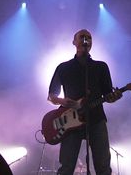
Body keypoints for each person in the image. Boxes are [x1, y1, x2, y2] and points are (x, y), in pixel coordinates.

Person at [47, 29, 122, 175]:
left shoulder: (101, 67)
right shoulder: (64, 67)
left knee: (103, 167)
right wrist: (64, 101)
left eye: (89, 37)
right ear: (74, 42)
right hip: (70, 121)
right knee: (66, 168)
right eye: (82, 37)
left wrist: (115, 96)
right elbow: (51, 96)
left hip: (96, 120)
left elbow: (108, 95)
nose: (85, 39)